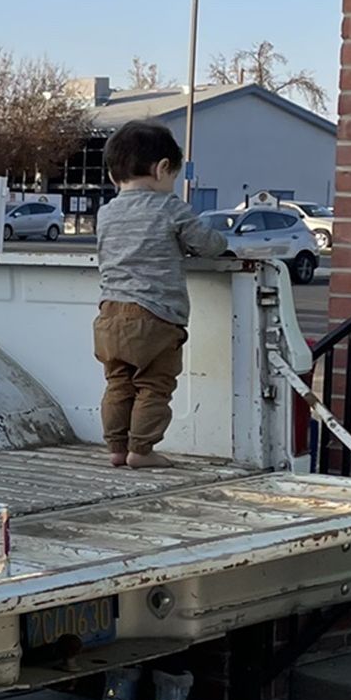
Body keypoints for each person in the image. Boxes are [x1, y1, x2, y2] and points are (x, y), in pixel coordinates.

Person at [93, 119, 230, 468]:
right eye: (173, 177)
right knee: (153, 385)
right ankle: (141, 451)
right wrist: (222, 242)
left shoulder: (106, 213)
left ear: (112, 175)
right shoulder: (170, 208)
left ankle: (116, 448)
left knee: (118, 384)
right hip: (155, 316)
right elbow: (208, 244)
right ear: (162, 168)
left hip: (109, 313)